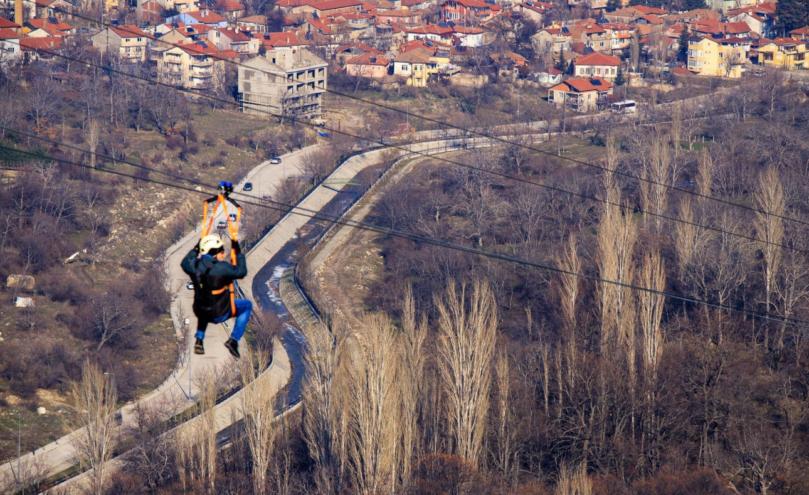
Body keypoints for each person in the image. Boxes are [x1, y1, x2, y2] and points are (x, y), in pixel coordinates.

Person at [181, 234, 251, 358]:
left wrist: (196, 248)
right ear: (214, 252)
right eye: (221, 251)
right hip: (219, 313)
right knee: (246, 306)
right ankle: (233, 340)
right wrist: (238, 252)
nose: (223, 254)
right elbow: (241, 272)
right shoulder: (222, 268)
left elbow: (184, 263)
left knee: (205, 304)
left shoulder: (194, 266)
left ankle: (199, 339)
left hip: (200, 310)